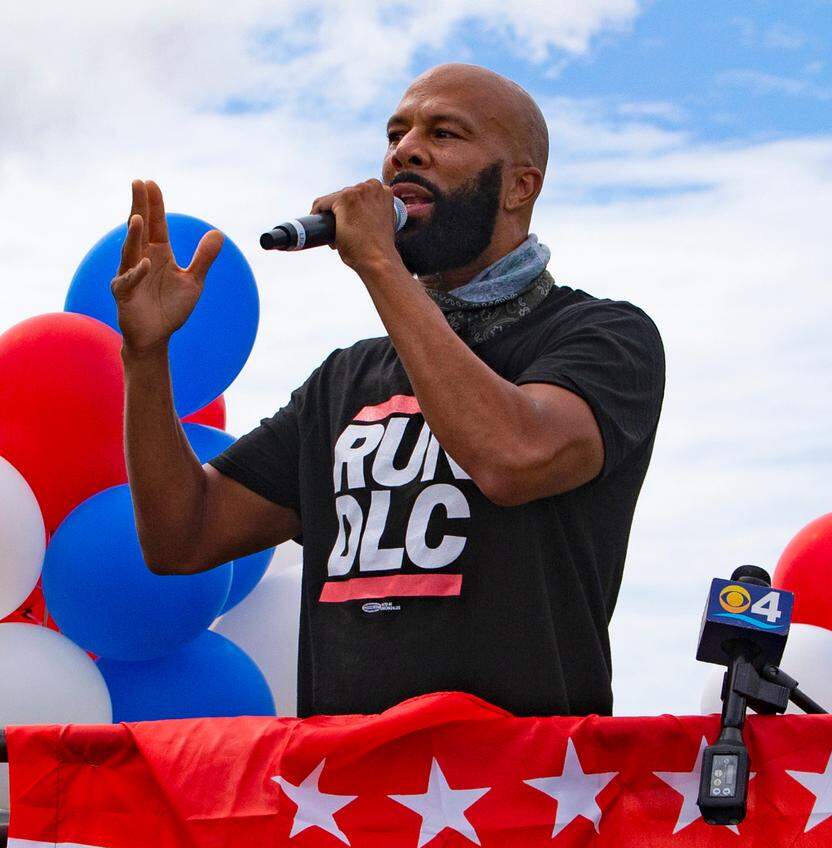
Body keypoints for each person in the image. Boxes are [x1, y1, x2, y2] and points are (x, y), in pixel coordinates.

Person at [113, 63, 665, 718]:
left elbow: (513, 456)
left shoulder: (604, 336)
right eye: (396, 133)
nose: (406, 149)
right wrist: (146, 357)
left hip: (525, 794)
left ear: (520, 187)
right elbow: (183, 536)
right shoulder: (344, 381)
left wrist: (377, 260)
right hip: (347, 801)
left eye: (445, 133)